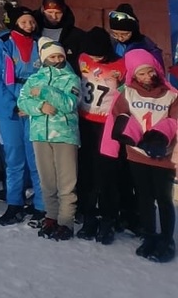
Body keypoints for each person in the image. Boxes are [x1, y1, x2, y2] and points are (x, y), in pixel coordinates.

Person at [100, 49, 177, 262]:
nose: (146, 77)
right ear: (133, 74)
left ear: (157, 71)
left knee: (163, 198)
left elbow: (175, 119)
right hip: (136, 154)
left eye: (150, 72)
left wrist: (162, 135)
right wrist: (123, 140)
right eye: (141, 73)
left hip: (163, 156)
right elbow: (117, 117)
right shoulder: (127, 93)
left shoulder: (170, 94)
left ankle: (166, 239)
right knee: (144, 196)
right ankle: (150, 236)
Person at [0, 5, 45, 226]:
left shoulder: (41, 43)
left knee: (36, 158)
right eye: (24, 22)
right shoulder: (2, 44)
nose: (29, 26)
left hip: (35, 105)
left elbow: (49, 74)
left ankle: (41, 205)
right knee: (14, 157)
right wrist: (12, 105)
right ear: (16, 23)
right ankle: (14, 203)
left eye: (31, 22)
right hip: (9, 105)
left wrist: (35, 103)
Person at [18, 38, 81, 240]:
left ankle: (66, 221)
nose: (56, 59)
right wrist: (39, 107)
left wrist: (46, 92)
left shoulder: (71, 79)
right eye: (52, 56)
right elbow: (22, 101)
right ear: (44, 59)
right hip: (39, 134)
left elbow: (69, 103)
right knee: (47, 180)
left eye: (59, 56)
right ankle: (51, 216)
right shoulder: (35, 79)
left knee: (66, 181)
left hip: (64, 134)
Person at [76, 26, 125, 243]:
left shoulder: (120, 65)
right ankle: (89, 215)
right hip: (84, 121)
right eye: (92, 53)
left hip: (107, 125)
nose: (95, 57)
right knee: (86, 171)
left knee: (107, 172)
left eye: (99, 54)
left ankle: (108, 218)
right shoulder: (82, 59)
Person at [36, 0, 84, 64]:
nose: (54, 17)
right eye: (49, 12)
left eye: (58, 13)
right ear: (42, 10)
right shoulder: (34, 32)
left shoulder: (76, 36)